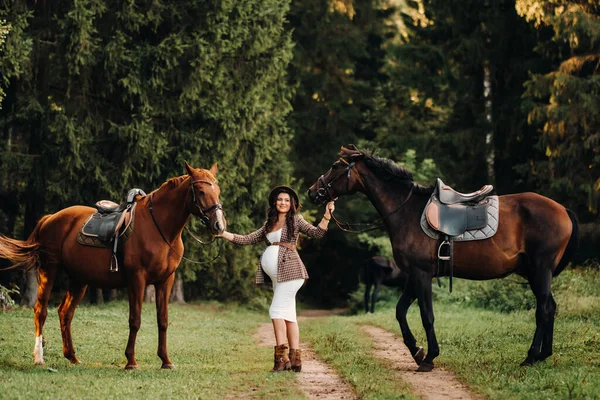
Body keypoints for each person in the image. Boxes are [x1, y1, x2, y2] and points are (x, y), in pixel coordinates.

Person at [219, 185, 334, 372]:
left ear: (292, 204)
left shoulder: (296, 220)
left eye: (287, 200)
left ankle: (281, 360)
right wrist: (223, 233)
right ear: (274, 202)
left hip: (291, 272)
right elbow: (247, 239)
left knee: (275, 311)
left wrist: (327, 215)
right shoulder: (268, 224)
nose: (283, 202)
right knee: (289, 316)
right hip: (277, 277)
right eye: (280, 199)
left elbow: (317, 233)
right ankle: (295, 360)